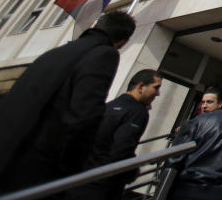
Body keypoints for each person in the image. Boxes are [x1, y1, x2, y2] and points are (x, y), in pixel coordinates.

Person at [0, 11, 136, 193]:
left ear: (95, 26)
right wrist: (72, 171)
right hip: (33, 169)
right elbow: (85, 115)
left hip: (1, 155)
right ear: (124, 41)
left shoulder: (56, 53)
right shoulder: (104, 54)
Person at [68, 69, 163, 200]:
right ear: (141, 87)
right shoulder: (138, 112)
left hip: (79, 179)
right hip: (103, 185)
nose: (158, 93)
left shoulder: (108, 106)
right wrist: (131, 171)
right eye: (156, 87)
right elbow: (122, 149)